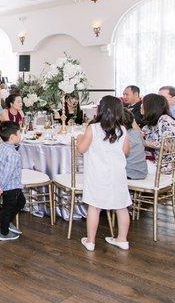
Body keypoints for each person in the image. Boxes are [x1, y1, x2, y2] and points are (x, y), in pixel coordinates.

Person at [76, 95, 131, 251]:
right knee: (122, 207)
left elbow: (81, 149)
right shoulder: (123, 130)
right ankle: (122, 239)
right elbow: (126, 151)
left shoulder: (93, 128)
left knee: (95, 207)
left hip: (97, 174)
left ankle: (91, 241)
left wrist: (80, 138)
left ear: (100, 109)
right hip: (117, 174)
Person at [0, 121, 26, 241]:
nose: (20, 135)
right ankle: (3, 232)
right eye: (19, 133)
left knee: (21, 202)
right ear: (12, 137)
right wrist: (0, 187)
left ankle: (5, 223)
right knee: (7, 209)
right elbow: (7, 173)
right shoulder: (13, 155)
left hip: (12, 185)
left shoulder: (1, 146)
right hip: (10, 186)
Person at [122, 110, 148, 180]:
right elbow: (144, 143)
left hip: (129, 173)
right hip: (142, 172)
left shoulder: (123, 136)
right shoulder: (136, 133)